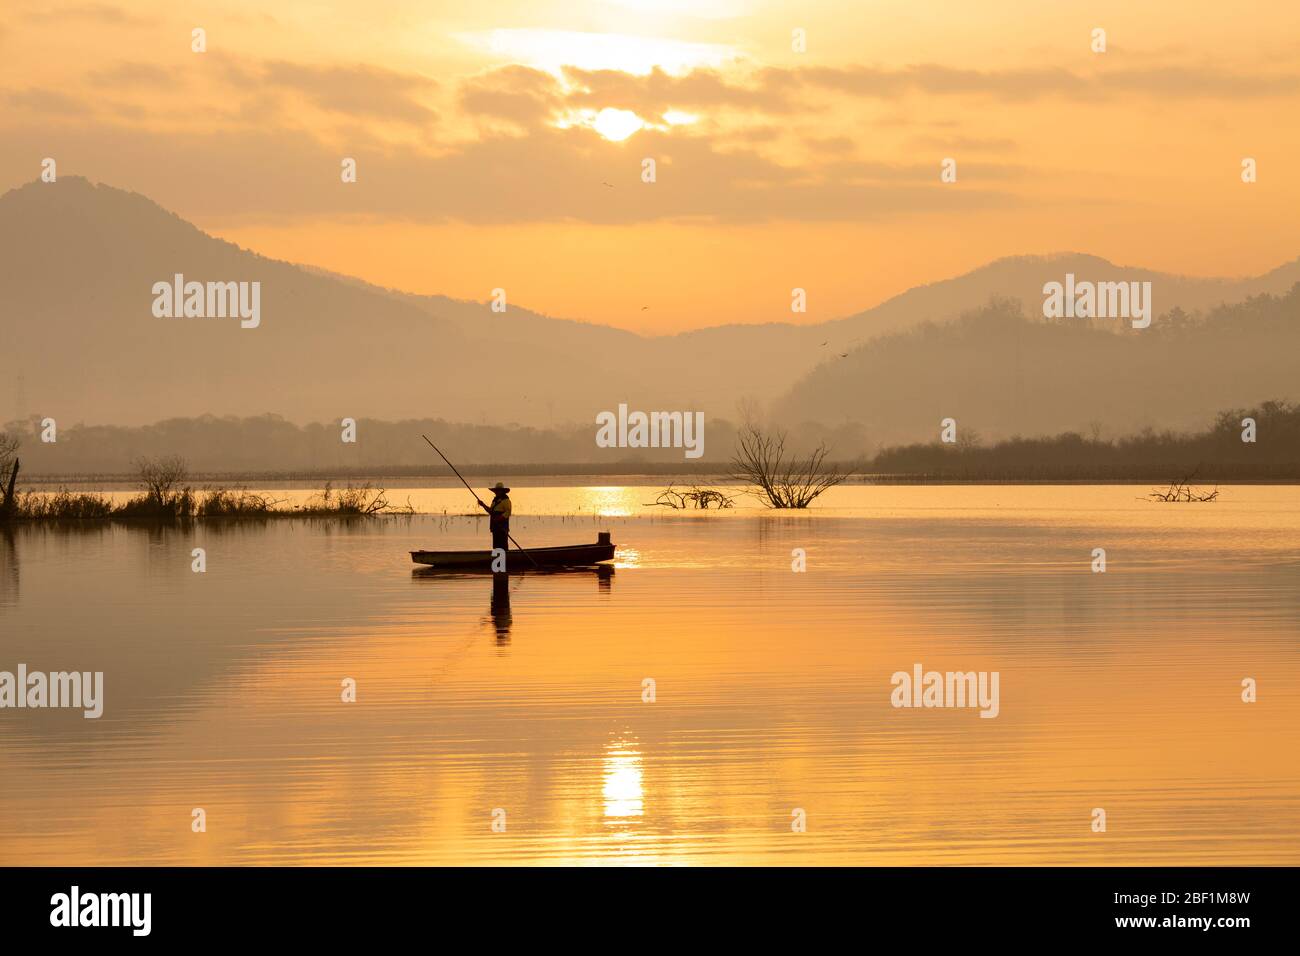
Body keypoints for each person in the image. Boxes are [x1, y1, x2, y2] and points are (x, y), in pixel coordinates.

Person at [481, 482, 512, 554]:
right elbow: (491, 512)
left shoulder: (506, 501)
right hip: (495, 528)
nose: (497, 492)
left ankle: (504, 560)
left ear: (502, 491)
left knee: (503, 546)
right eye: (496, 491)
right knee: (496, 546)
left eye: (498, 491)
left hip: (502, 528)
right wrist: (483, 505)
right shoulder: (494, 501)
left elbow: (508, 512)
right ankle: (497, 560)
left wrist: (499, 519)